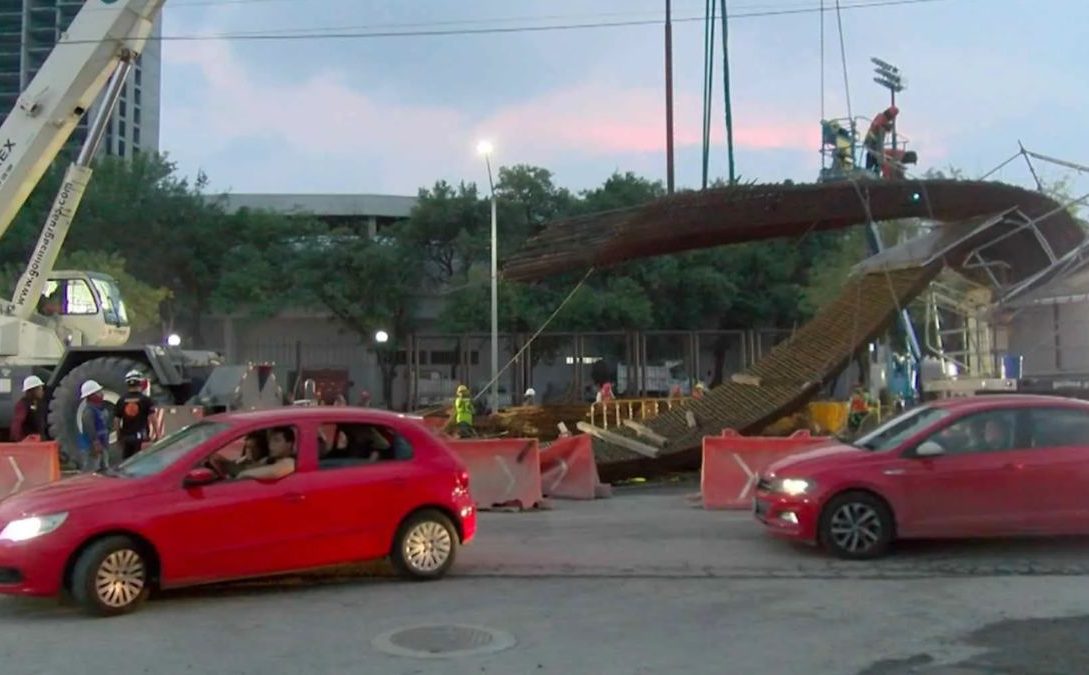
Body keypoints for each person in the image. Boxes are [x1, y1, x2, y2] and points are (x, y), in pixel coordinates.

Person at [116, 369, 156, 460]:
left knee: (126, 462)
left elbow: (117, 420)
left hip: (126, 437)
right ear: (140, 383)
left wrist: (119, 436)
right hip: (141, 438)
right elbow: (152, 417)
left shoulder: (121, 400)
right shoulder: (146, 400)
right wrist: (157, 434)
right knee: (140, 462)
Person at [76, 380, 111, 473]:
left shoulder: (99, 408)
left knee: (104, 470)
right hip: (91, 447)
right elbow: (89, 428)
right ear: (91, 396)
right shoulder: (88, 411)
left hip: (102, 444)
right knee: (91, 471)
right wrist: (95, 443)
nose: (101, 394)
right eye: (98, 392)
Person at [11, 375, 45, 441]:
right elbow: (17, 425)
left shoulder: (39, 404)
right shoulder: (22, 405)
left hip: (38, 442)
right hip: (28, 444)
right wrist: (20, 441)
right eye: (39, 388)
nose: (42, 391)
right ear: (32, 390)